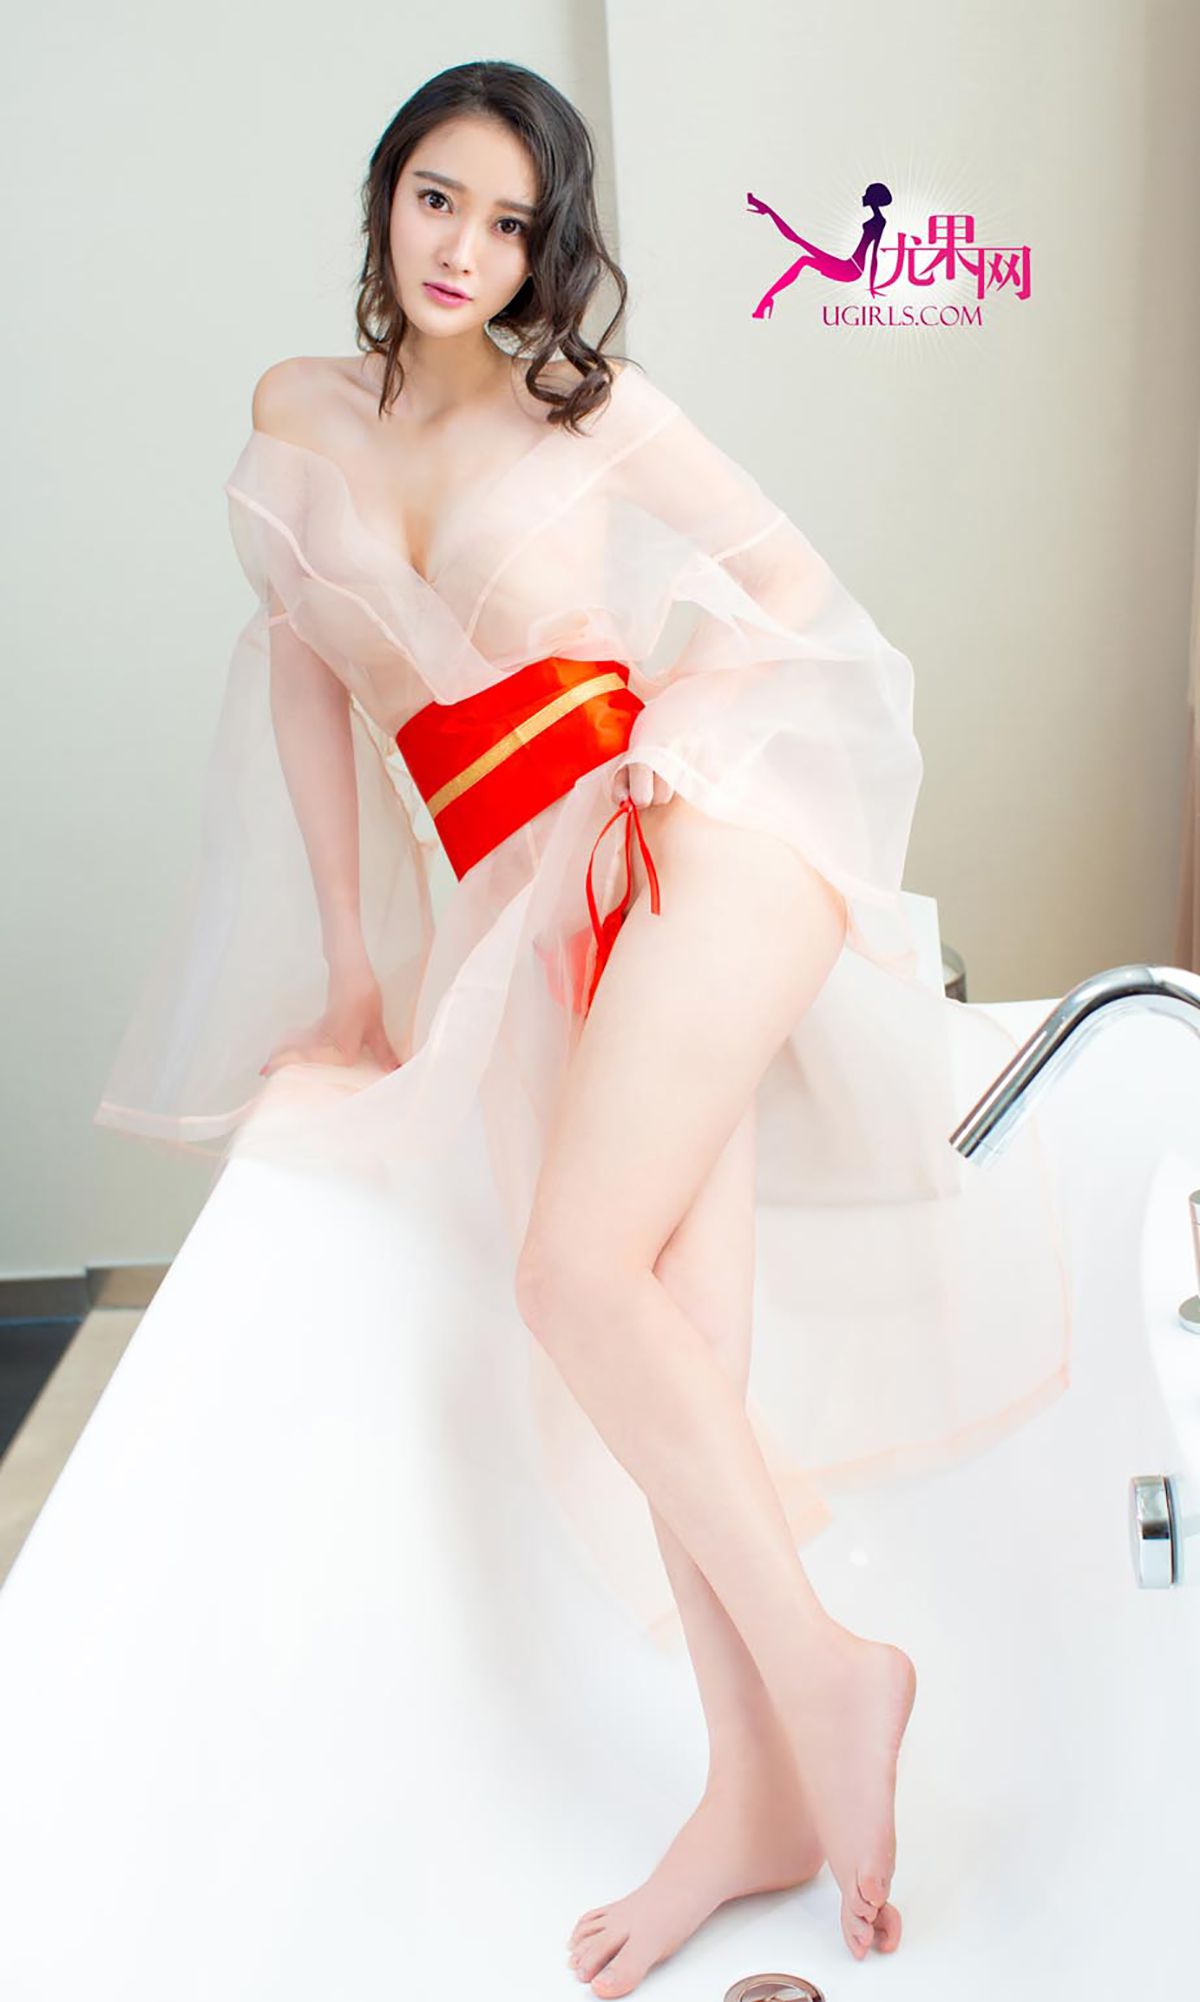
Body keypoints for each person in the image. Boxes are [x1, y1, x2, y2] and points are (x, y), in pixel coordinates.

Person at [91, 58, 1072, 1997]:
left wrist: (683, 747)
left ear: (550, 250)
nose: (466, 248)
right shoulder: (298, 412)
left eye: (511, 222)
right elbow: (304, 669)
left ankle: (833, 1677)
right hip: (524, 913)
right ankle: (754, 1796)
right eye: (438, 199)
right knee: (670, 1334)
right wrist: (354, 974)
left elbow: (807, 604)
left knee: (573, 1276)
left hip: (698, 836)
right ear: (385, 196)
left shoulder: (593, 405)